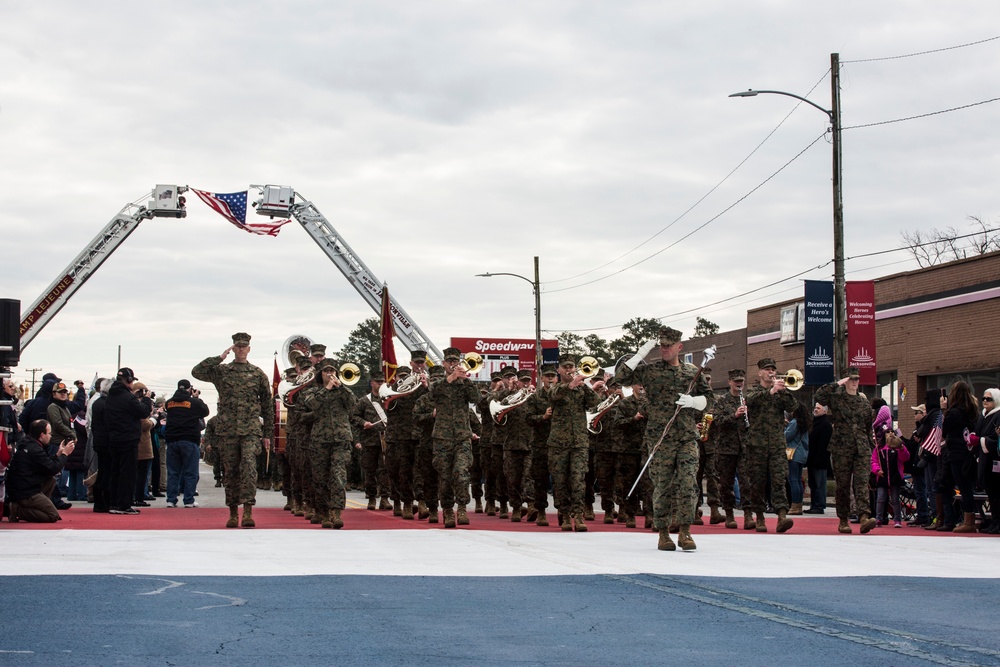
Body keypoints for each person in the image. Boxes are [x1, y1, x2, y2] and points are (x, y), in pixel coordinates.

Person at [616, 327, 713, 551]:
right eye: (661, 345)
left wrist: (695, 402)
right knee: (662, 485)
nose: (664, 349)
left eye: (669, 345)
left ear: (679, 347)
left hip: (687, 436)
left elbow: (710, 398)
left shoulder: (692, 372)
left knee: (689, 483)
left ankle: (685, 530)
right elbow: (621, 377)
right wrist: (638, 356)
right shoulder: (651, 371)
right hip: (660, 437)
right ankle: (663, 532)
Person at [192, 332, 275, 528]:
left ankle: (247, 511)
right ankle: (232, 512)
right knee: (230, 472)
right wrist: (219, 358)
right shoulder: (222, 371)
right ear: (233, 348)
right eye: (237, 346)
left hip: (250, 431)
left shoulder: (257, 373)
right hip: (227, 431)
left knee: (249, 468)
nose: (240, 350)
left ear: (249, 349)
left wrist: (268, 434)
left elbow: (267, 406)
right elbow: (197, 372)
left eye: (244, 346)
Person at [815, 367, 877, 534]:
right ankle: (843, 519)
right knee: (842, 485)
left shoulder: (864, 402)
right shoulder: (836, 398)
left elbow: (867, 427)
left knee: (862, 483)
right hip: (842, 447)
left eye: (857, 379)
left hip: (861, 448)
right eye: (851, 379)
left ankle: (864, 516)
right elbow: (819, 396)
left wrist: (871, 447)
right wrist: (836, 384)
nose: (855, 382)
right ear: (845, 381)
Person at [300, 359, 357, 529]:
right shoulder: (313, 392)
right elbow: (311, 404)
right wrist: (327, 389)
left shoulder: (343, 391)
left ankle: (337, 513)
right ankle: (324, 513)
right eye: (326, 371)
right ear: (320, 374)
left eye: (332, 370)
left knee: (338, 476)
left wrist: (341, 387)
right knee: (320, 479)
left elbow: (353, 404)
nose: (330, 373)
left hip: (341, 439)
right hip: (320, 440)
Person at [428, 347, 480, 528]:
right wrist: (451, 378)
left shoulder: (464, 384)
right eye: (449, 361)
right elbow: (432, 393)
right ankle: (448, 510)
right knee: (445, 476)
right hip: (442, 438)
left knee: (461, 473)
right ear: (443, 364)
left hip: (462, 437)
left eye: (456, 361)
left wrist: (466, 380)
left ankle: (463, 506)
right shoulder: (438, 383)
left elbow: (477, 398)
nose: (453, 364)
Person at [743, 358, 797, 533]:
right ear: (759, 373)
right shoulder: (753, 392)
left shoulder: (780, 393)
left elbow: (793, 406)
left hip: (776, 444)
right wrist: (771, 391)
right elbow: (750, 402)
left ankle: (781, 515)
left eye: (773, 369)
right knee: (757, 482)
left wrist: (783, 391)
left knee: (779, 480)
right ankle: (759, 516)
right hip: (756, 444)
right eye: (767, 370)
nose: (771, 372)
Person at [105, 368, 153, 515]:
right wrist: (145, 399)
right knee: (128, 472)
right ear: (128, 380)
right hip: (128, 439)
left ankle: (114, 503)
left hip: (113, 438)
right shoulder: (128, 398)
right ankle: (124, 504)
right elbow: (144, 412)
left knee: (116, 472)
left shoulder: (111, 396)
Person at [7, 419, 75, 523]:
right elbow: (52, 469)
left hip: (23, 488)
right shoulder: (34, 449)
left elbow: (46, 465)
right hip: (26, 492)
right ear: (42, 435)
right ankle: (18, 510)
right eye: (49, 433)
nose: (51, 436)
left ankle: (35, 506)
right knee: (52, 515)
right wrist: (65, 454)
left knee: (51, 480)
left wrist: (58, 454)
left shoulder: (30, 444)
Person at [164, 379, 210, 508]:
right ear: (190, 389)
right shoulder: (193, 403)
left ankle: (171, 499)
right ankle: (188, 500)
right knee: (190, 471)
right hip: (189, 440)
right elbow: (205, 412)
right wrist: (196, 398)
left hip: (172, 440)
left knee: (173, 472)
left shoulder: (169, 403)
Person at [943, 381, 980, 533]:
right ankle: (969, 518)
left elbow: (945, 430)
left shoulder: (954, 412)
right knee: (967, 487)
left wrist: (944, 409)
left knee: (961, 487)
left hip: (956, 453)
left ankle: (968, 521)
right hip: (969, 451)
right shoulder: (973, 410)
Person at [352, 372, 389, 511]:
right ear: (371, 383)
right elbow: (354, 416)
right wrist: (364, 422)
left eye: (382, 381)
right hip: (369, 440)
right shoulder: (364, 401)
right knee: (370, 470)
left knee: (385, 470)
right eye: (377, 381)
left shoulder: (389, 398)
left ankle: (385, 498)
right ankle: (372, 498)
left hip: (385, 439)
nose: (380, 384)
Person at [871, 405, 909, 527]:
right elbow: (874, 461)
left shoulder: (897, 447)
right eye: (888, 432)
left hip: (895, 477)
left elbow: (905, 458)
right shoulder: (879, 448)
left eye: (892, 431)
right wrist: (877, 470)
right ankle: (878, 518)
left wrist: (901, 448)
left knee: (895, 499)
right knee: (880, 498)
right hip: (882, 476)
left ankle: (897, 519)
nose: (890, 434)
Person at [975, 388, 1000, 533]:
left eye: (988, 399)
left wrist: (981, 440)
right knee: (991, 492)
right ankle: (994, 520)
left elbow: (996, 438)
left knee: (997, 492)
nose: (985, 401)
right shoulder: (983, 416)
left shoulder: (998, 415)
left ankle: (998, 521)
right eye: (983, 398)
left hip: (995, 458)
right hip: (984, 458)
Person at [784, 401, 811, 515]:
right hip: (801, 454)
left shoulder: (794, 423)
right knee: (798, 480)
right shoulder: (804, 423)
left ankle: (795, 505)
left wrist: (784, 427)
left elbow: (786, 436)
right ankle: (798, 504)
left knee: (793, 480)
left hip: (793, 454)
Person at [805, 403, 832, 514]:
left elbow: (824, 445)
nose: (816, 410)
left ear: (824, 411)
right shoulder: (813, 423)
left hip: (820, 461)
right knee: (813, 484)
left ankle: (819, 505)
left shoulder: (825, 425)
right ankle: (814, 504)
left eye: (818, 408)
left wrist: (818, 459)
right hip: (811, 459)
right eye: (815, 408)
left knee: (819, 484)